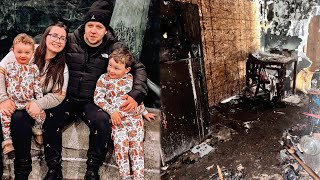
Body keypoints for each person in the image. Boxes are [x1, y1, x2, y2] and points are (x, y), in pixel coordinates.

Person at [42, 0, 147, 179]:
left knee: (102, 122)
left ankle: (92, 170)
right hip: (66, 97)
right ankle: (54, 170)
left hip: (92, 101)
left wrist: (135, 94)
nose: (93, 30)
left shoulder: (115, 47)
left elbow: (138, 68)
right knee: (50, 120)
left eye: (98, 26)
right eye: (90, 25)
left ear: (105, 30)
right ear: (84, 26)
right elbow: (42, 48)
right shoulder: (69, 40)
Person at [0, 21, 69, 180]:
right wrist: (3, 99)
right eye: (54, 35)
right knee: (13, 116)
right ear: (46, 36)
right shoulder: (26, 49)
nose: (57, 40)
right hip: (11, 100)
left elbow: (59, 95)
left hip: (35, 104)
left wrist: (39, 103)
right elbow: (0, 71)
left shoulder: (62, 67)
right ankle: (15, 167)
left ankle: (23, 171)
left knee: (21, 118)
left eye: (62, 38)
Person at [94, 48, 155, 180]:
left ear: (126, 70)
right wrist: (112, 111)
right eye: (110, 65)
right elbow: (98, 98)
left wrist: (144, 112)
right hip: (118, 123)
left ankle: (139, 177)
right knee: (121, 150)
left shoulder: (131, 78)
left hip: (135, 121)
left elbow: (136, 100)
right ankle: (125, 177)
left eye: (116, 68)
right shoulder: (104, 79)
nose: (111, 70)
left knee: (137, 151)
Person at [0, 33, 46, 156]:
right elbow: (4, 83)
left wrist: (38, 102)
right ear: (13, 51)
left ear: (32, 53)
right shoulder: (8, 67)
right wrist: (4, 100)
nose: (23, 55)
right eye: (19, 52)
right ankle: (7, 141)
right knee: (4, 116)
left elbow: (37, 86)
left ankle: (37, 129)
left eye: (27, 52)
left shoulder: (34, 68)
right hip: (13, 102)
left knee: (41, 114)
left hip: (28, 102)